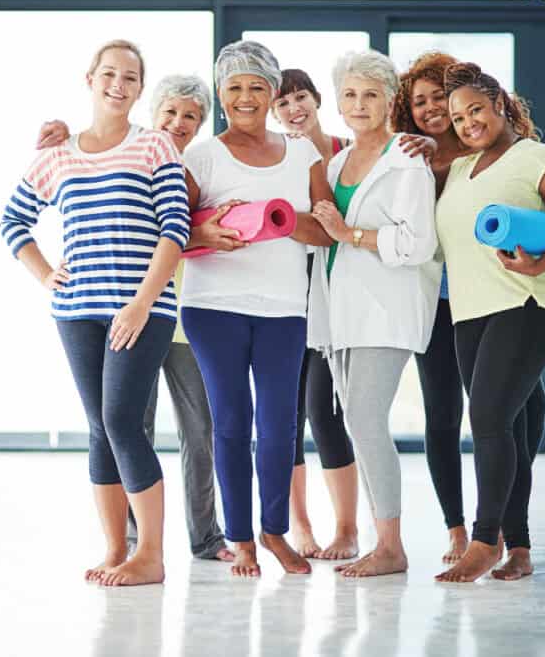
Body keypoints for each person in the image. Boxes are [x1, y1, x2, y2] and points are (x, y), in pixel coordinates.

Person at [0, 40, 190, 587]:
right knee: (100, 429)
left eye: (131, 78)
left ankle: (150, 555)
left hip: (142, 308)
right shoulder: (58, 154)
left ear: (139, 88)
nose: (119, 84)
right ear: (90, 78)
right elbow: (13, 222)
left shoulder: (155, 146)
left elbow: (174, 228)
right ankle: (115, 550)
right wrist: (44, 273)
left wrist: (142, 301)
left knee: (123, 422)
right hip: (76, 309)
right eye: (110, 74)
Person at [35, 75, 235, 563]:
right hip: (129, 311)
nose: (178, 123)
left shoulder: (207, 168)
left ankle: (205, 537)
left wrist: (200, 233)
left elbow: (215, 231)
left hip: (187, 316)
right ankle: (129, 541)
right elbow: (119, 229)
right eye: (170, 112)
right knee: (125, 426)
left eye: (191, 116)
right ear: (154, 111)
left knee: (200, 430)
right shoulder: (135, 155)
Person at [434, 62, 545, 582]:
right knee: (511, 428)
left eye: (476, 110)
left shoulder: (537, 159)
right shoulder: (460, 169)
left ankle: (485, 541)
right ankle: (521, 548)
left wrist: (541, 263)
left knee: (486, 420)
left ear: (500, 105)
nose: (468, 124)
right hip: (469, 311)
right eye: (458, 118)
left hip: (525, 302)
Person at [181, 39, 335, 577]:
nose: (246, 97)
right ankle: (240, 538)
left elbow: (326, 230)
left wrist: (281, 218)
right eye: (234, 88)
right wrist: (205, 228)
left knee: (278, 425)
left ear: (272, 93)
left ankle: (275, 532)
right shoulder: (200, 156)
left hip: (285, 308)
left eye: (257, 87)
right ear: (222, 95)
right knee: (230, 421)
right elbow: (171, 229)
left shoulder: (304, 154)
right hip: (212, 305)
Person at [307, 49, 441, 577]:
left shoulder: (407, 160)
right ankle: (378, 538)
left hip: (385, 310)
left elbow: (418, 244)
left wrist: (351, 235)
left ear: (390, 101)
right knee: (357, 423)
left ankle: (391, 546)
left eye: (370, 94)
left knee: (365, 419)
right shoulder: (338, 163)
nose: (358, 104)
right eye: (349, 94)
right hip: (342, 313)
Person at [391, 52, 476, 564]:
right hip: (436, 302)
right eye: (419, 101)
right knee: (442, 415)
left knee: (508, 411)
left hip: (489, 298)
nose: (430, 108)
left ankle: (503, 521)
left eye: (439, 96)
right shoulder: (409, 158)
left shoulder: (485, 147)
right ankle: (456, 529)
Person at [270, 68, 358, 561]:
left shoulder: (350, 151)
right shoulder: (280, 159)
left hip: (340, 297)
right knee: (287, 415)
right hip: (288, 295)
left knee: (326, 413)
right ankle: (300, 525)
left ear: (317, 99)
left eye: (299, 97)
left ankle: (347, 529)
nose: (293, 109)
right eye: (282, 104)